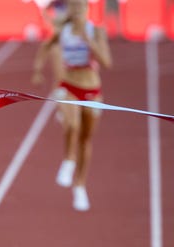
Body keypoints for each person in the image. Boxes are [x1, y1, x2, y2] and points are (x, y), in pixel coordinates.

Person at [31, 0, 112, 211]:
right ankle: (68, 161)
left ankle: (80, 185)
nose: (76, 11)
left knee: (86, 139)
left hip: (92, 89)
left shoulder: (96, 31)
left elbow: (107, 62)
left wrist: (89, 41)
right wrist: (38, 69)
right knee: (72, 125)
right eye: (73, 8)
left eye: (80, 8)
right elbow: (45, 46)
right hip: (69, 85)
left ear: (87, 10)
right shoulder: (63, 30)